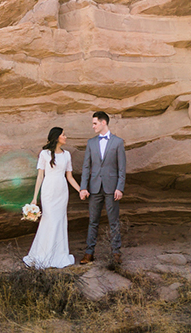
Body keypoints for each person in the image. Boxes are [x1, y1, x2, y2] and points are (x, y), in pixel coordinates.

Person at [23, 126, 83, 269]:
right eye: (63, 135)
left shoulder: (67, 155)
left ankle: (58, 254)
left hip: (62, 191)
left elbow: (69, 176)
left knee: (60, 221)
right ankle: (44, 254)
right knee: (49, 220)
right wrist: (34, 198)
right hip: (48, 191)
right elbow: (40, 176)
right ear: (57, 138)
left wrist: (80, 190)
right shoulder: (44, 154)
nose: (66, 137)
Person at [79, 110, 126, 267]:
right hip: (94, 188)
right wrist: (83, 187)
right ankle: (89, 253)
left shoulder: (118, 142)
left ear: (103, 122)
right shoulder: (91, 143)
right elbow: (86, 167)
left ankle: (116, 253)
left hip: (112, 188)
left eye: (94, 123)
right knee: (93, 221)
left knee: (113, 221)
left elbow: (122, 168)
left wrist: (120, 188)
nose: (92, 126)